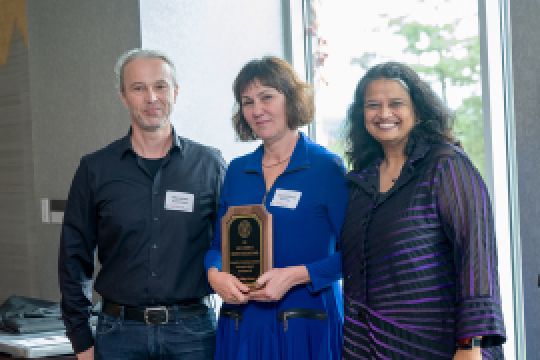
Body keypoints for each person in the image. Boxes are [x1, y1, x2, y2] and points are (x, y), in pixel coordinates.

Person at [58, 48, 226, 360]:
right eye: (138, 88)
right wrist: (81, 338)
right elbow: (73, 256)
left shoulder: (209, 165)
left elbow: (229, 245)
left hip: (193, 335)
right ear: (123, 97)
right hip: (118, 335)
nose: (151, 98)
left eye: (160, 86)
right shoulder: (95, 169)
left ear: (175, 92)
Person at [341, 61, 506, 359]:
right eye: (373, 105)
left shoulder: (445, 165)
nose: (384, 114)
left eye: (396, 104)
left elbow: (476, 255)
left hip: (438, 346)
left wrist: (470, 346)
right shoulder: (360, 182)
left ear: (417, 111)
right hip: (367, 347)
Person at [204, 56, 348, 359]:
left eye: (267, 97)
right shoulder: (237, 170)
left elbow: (357, 255)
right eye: (247, 102)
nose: (257, 110)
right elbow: (218, 245)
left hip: (306, 326)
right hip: (243, 324)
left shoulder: (326, 168)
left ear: (291, 99)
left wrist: (297, 275)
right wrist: (214, 273)